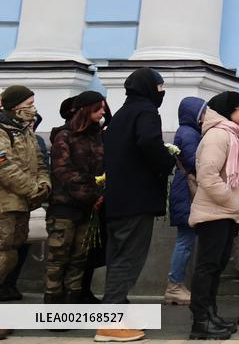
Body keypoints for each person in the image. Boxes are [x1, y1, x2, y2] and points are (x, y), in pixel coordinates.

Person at [97, 68, 175, 343]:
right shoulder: (146, 112)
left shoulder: (122, 113)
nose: (162, 93)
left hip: (119, 198)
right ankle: (109, 323)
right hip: (137, 199)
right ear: (148, 88)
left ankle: (118, 312)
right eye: (160, 87)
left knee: (119, 257)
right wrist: (167, 162)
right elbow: (149, 142)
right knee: (128, 260)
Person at [188, 91, 239, 340]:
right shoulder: (218, 135)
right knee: (207, 267)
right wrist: (231, 199)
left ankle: (210, 314)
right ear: (228, 111)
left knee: (216, 266)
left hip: (225, 213)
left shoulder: (231, 134)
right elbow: (207, 176)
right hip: (214, 213)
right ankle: (201, 321)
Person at [45, 91, 105, 304]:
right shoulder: (64, 136)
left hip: (88, 209)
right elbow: (64, 172)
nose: (103, 112)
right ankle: (53, 306)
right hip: (65, 209)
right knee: (58, 260)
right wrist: (91, 195)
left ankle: (72, 305)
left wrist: (99, 194)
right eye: (99, 108)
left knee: (79, 260)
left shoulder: (96, 135)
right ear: (86, 110)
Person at [0, 85, 50, 341]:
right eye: (29, 104)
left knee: (9, 258)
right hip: (4, 205)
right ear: (15, 106)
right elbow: (3, 166)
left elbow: (40, 162)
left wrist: (44, 184)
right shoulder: (2, 131)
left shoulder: (25, 131)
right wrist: (32, 188)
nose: (33, 108)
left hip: (20, 205)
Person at [165, 97, 207, 307]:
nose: (206, 116)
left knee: (186, 240)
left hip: (184, 191)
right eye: (203, 112)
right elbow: (195, 163)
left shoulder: (188, 132)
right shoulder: (189, 134)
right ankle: (174, 286)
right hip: (187, 193)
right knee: (185, 241)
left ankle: (177, 285)